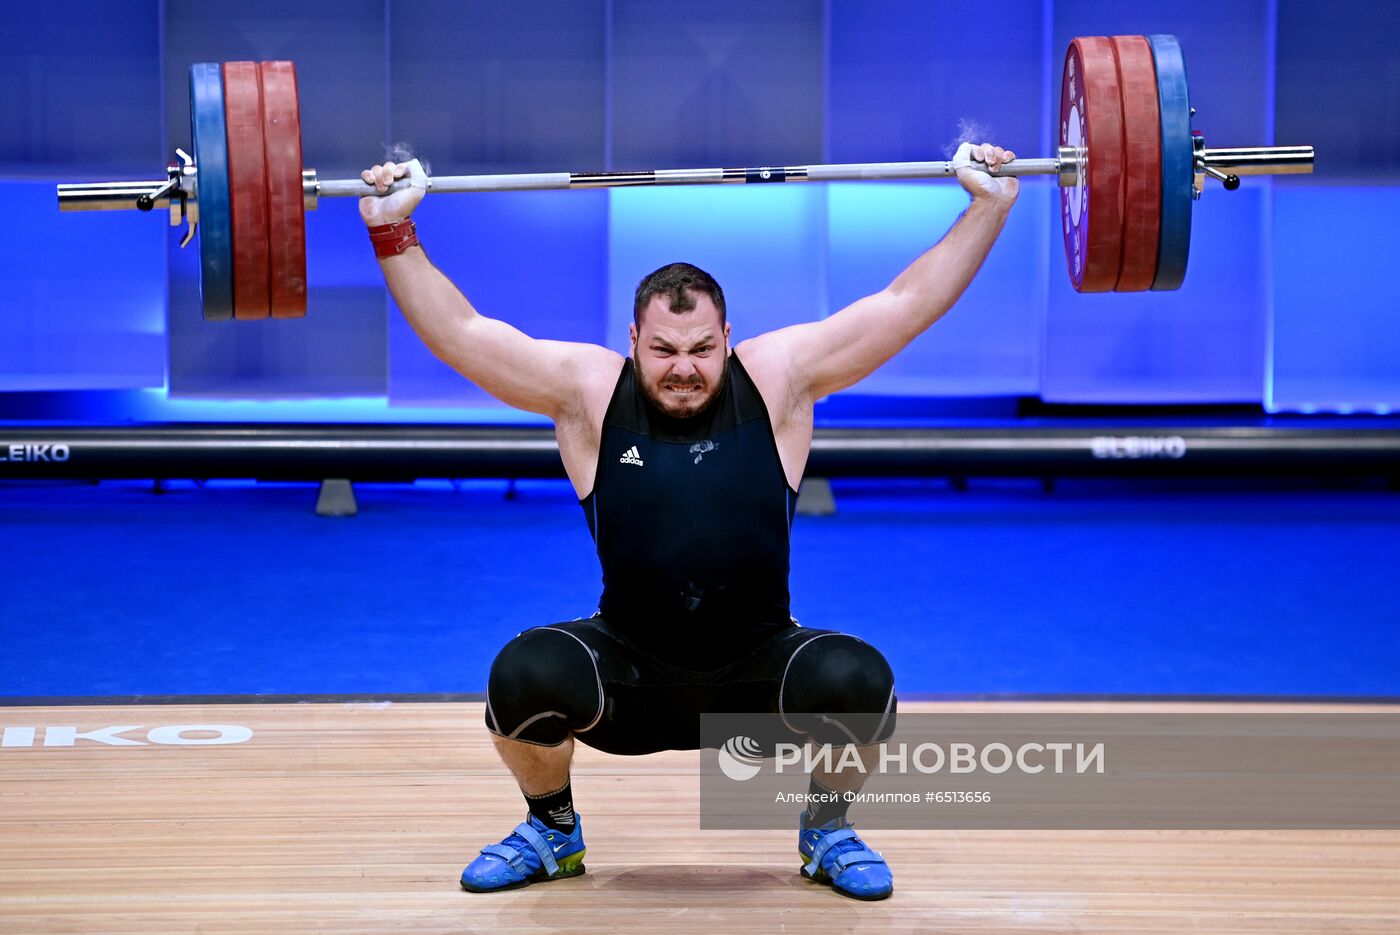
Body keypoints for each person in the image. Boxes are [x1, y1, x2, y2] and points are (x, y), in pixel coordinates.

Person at [360, 142, 1018, 901]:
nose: (684, 366)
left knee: (858, 679)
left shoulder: (779, 381)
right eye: (665, 349)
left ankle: (827, 827)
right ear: (633, 340)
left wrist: (987, 206)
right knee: (522, 673)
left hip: (757, 678)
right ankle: (553, 828)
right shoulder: (588, 393)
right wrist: (392, 232)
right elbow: (465, 335)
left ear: (728, 338)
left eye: (703, 348)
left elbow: (903, 306)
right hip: (627, 675)